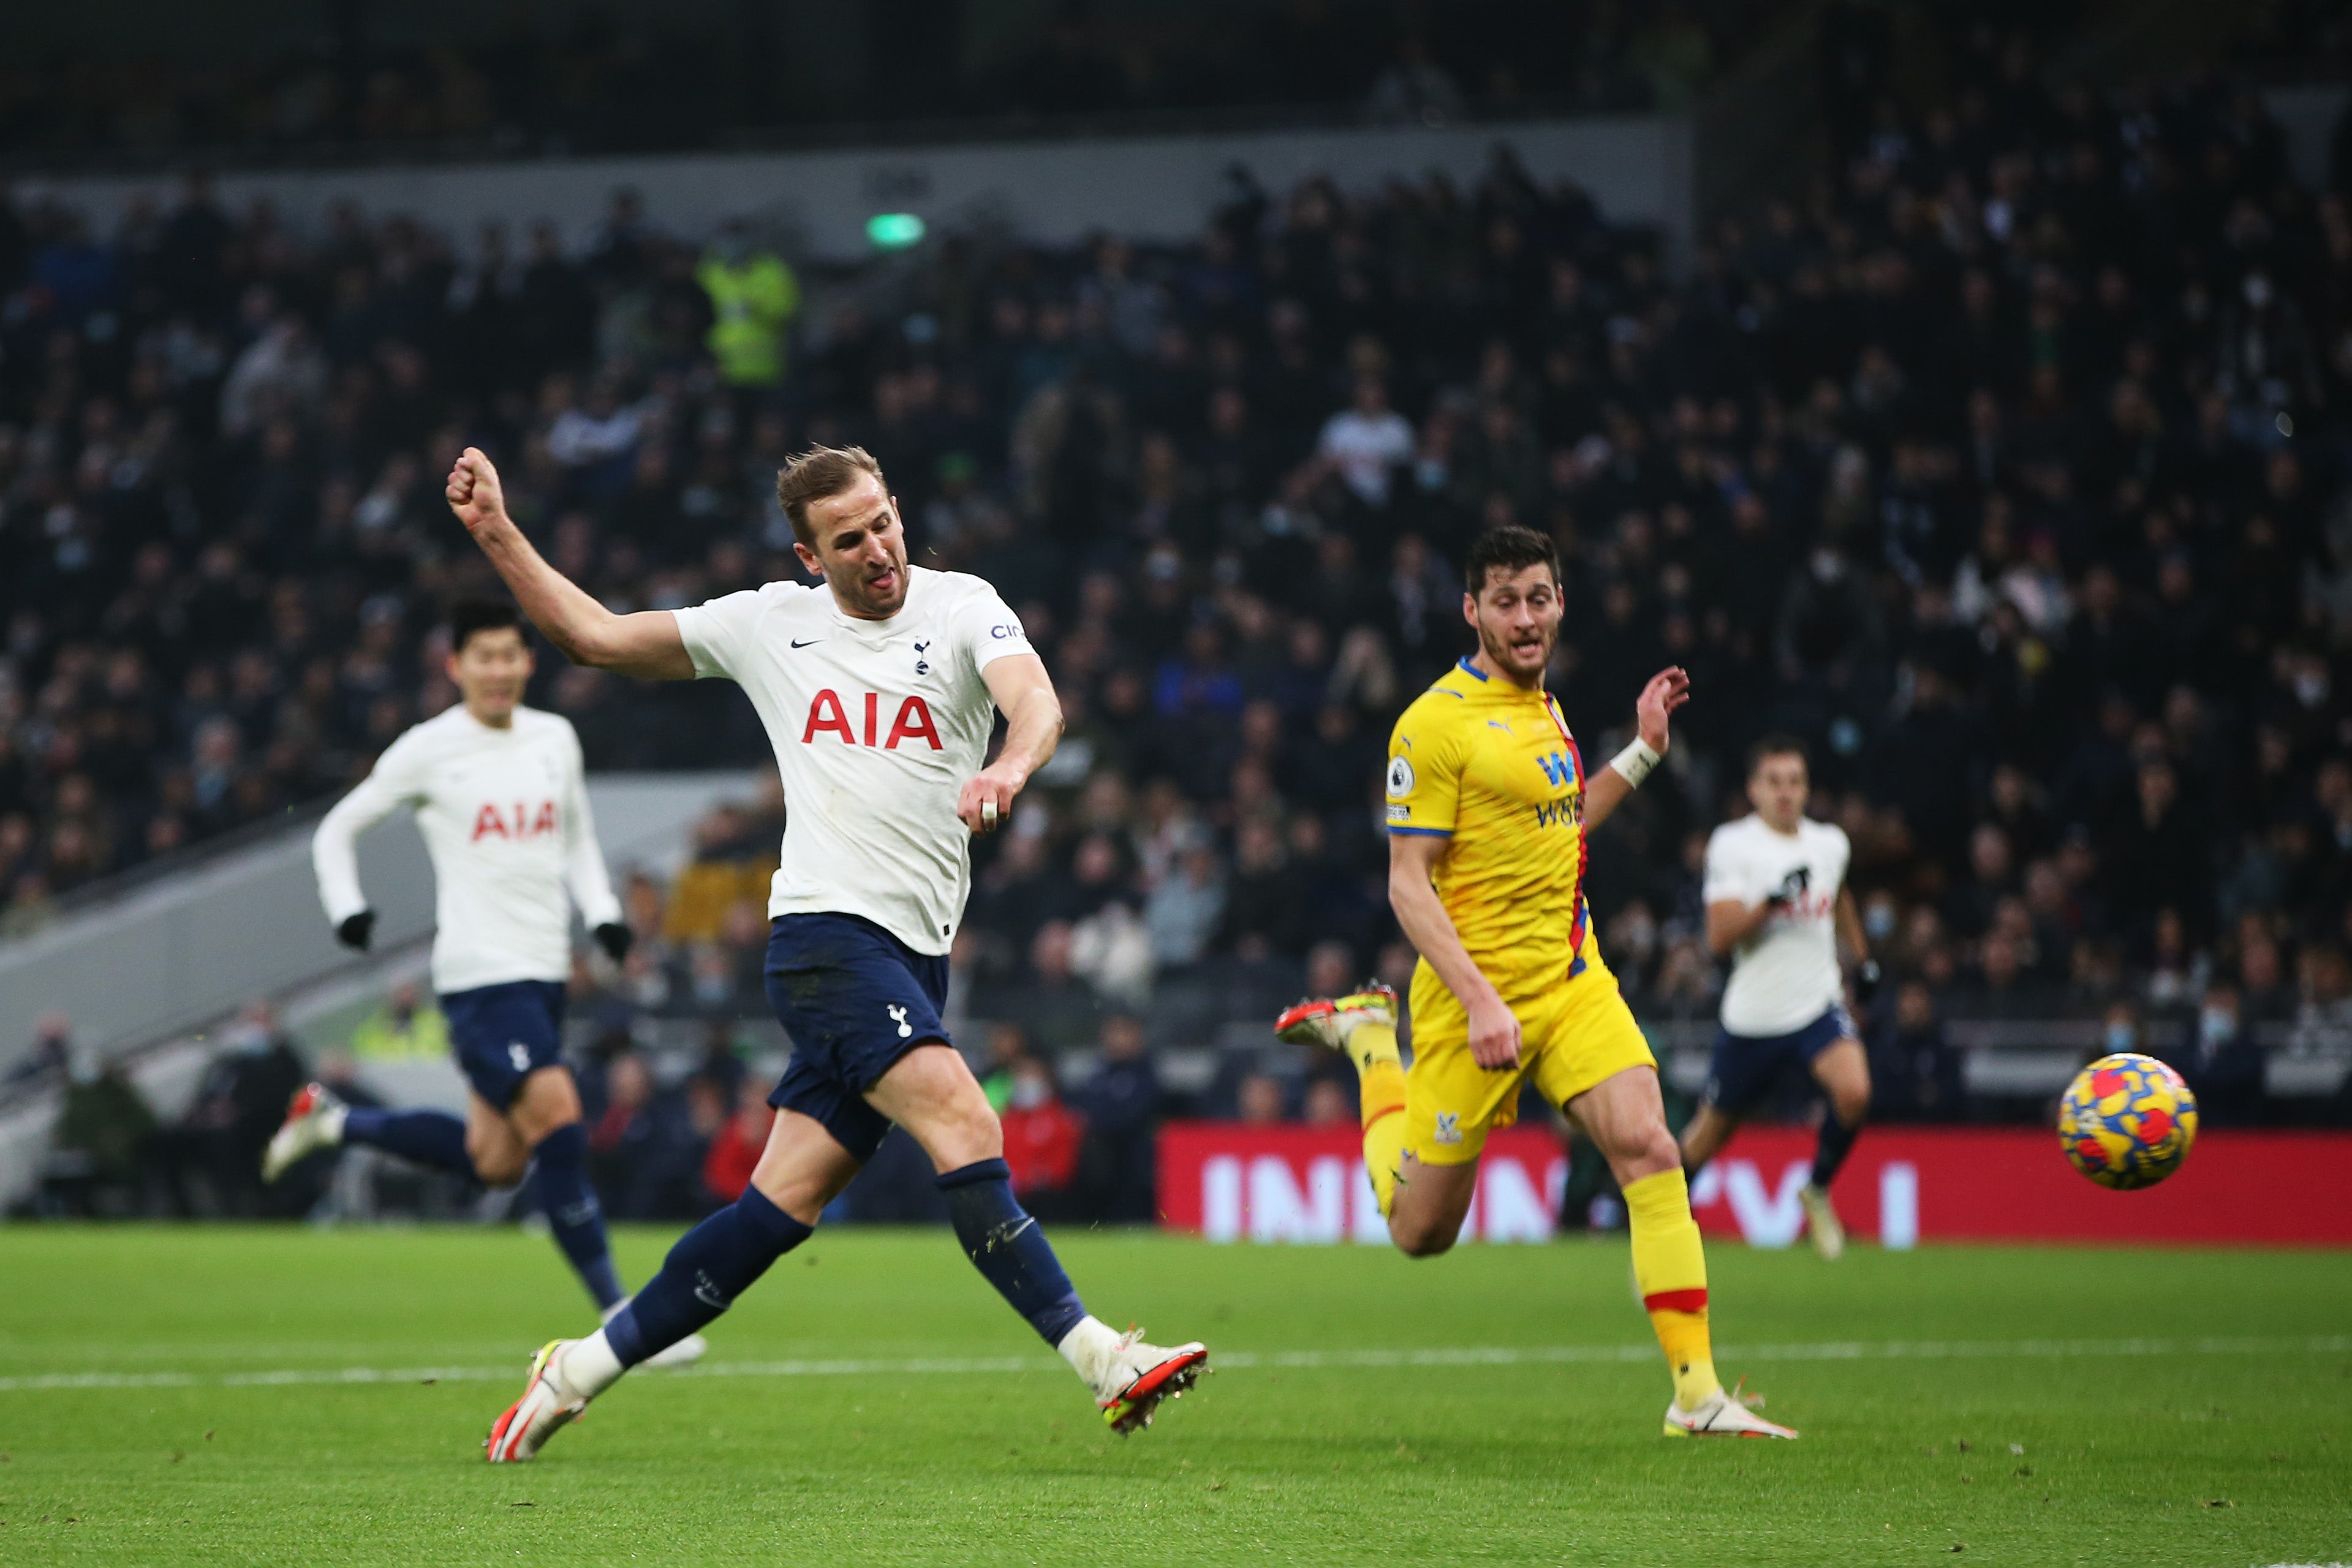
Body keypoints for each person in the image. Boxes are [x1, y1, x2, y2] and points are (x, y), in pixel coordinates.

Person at [444, 441, 1205, 1462]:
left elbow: (1037, 703)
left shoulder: (962, 604)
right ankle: (1102, 1359)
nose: (878, 550)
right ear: (810, 557)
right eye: (848, 541)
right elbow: (595, 639)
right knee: (962, 1115)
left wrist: (1007, 765)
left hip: (911, 956)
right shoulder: (769, 624)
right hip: (824, 941)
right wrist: (496, 528)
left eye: (883, 522)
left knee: (776, 1211)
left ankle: (573, 1371)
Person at [1276, 524, 1794, 1439]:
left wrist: (1639, 753)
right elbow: (1407, 882)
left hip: (1569, 979)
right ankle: (1366, 1043)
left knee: (1649, 1147)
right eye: (1506, 601)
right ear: (1470, 611)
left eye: (1540, 598)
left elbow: (1563, 821)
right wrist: (1477, 1000)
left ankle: (1695, 1394)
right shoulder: (1433, 723)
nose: (1526, 618)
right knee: (1419, 1233)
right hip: (1468, 1001)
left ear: (1560, 604)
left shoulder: (1544, 708)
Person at [267, 600, 705, 1368]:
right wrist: (348, 909)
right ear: (455, 665)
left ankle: (332, 1122)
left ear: (528, 663)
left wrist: (602, 915)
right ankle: (623, 1320)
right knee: (561, 1119)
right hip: (478, 976)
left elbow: (576, 839)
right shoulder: (428, 749)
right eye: (484, 657)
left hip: (540, 976)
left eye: (511, 655)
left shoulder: (553, 739)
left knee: (496, 1161)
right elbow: (337, 828)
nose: (499, 670)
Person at [1677, 737, 1877, 1260]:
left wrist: (1862, 957)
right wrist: (1770, 901)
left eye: (1794, 781)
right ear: (1753, 790)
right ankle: (1662, 1227)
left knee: (1854, 1091)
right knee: (1703, 1141)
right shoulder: (1733, 845)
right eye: (1773, 782)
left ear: (1807, 788)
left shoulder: (1829, 843)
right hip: (1753, 1018)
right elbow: (1719, 937)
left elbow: (1841, 896)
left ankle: (1815, 1190)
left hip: (1816, 1005)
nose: (1785, 793)